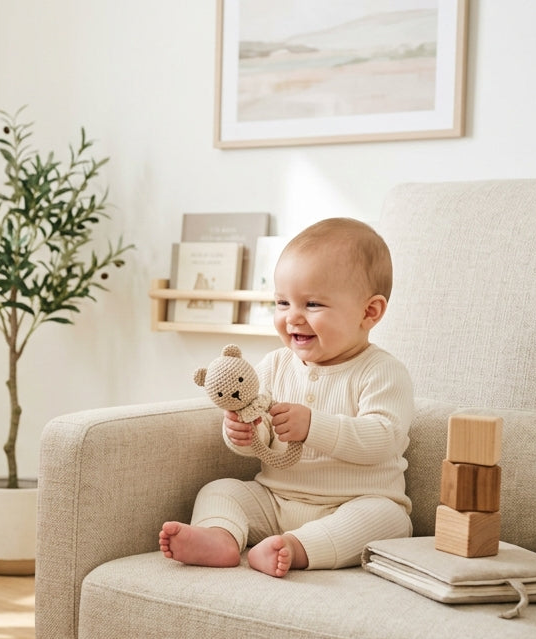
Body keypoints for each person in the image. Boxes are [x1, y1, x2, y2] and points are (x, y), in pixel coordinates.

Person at [158, 217, 414, 577]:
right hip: (274, 501)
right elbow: (260, 433)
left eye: (312, 304)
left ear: (369, 312)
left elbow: (383, 439)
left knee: (387, 520)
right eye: (282, 302)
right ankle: (221, 537)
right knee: (221, 489)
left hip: (351, 503)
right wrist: (244, 437)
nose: (292, 317)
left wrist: (314, 426)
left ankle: (295, 548)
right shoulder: (275, 364)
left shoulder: (382, 371)